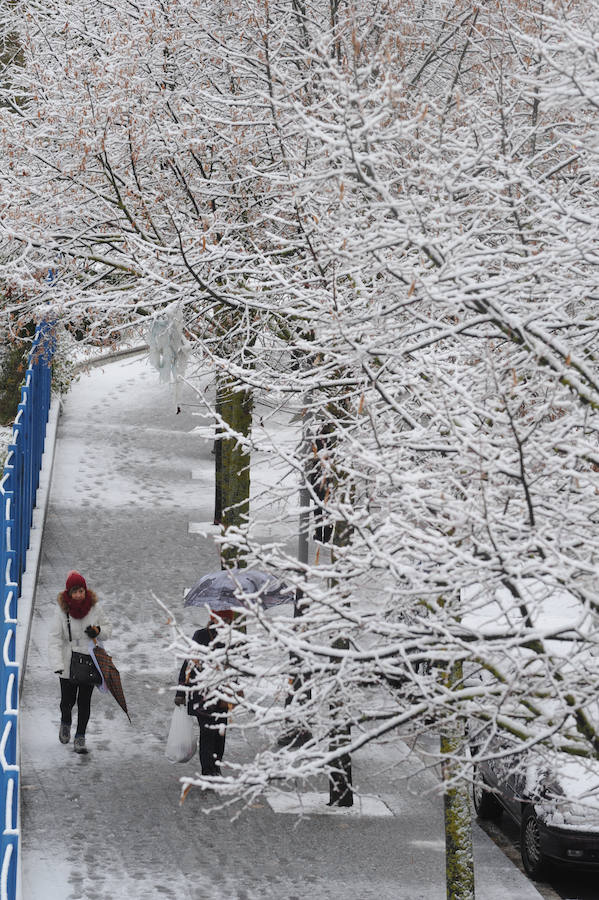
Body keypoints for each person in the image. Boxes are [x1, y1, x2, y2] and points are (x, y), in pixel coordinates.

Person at [48, 570, 113, 754]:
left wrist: (98, 631)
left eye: (81, 591)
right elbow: (54, 639)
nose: (78, 595)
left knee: (84, 701)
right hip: (68, 662)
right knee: (67, 702)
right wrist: (58, 665)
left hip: (89, 659)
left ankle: (80, 737)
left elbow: (108, 629)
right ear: (69, 593)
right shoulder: (61, 611)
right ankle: (66, 722)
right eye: (75, 591)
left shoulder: (95, 608)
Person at [175, 609, 235, 777]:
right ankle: (208, 771)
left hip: (224, 695)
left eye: (227, 619)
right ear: (213, 618)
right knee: (207, 733)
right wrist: (181, 691)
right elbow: (188, 664)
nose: (224, 622)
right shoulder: (201, 635)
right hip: (203, 694)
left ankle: (216, 766)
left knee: (220, 733)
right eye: (221, 619)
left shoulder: (233, 638)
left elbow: (241, 664)